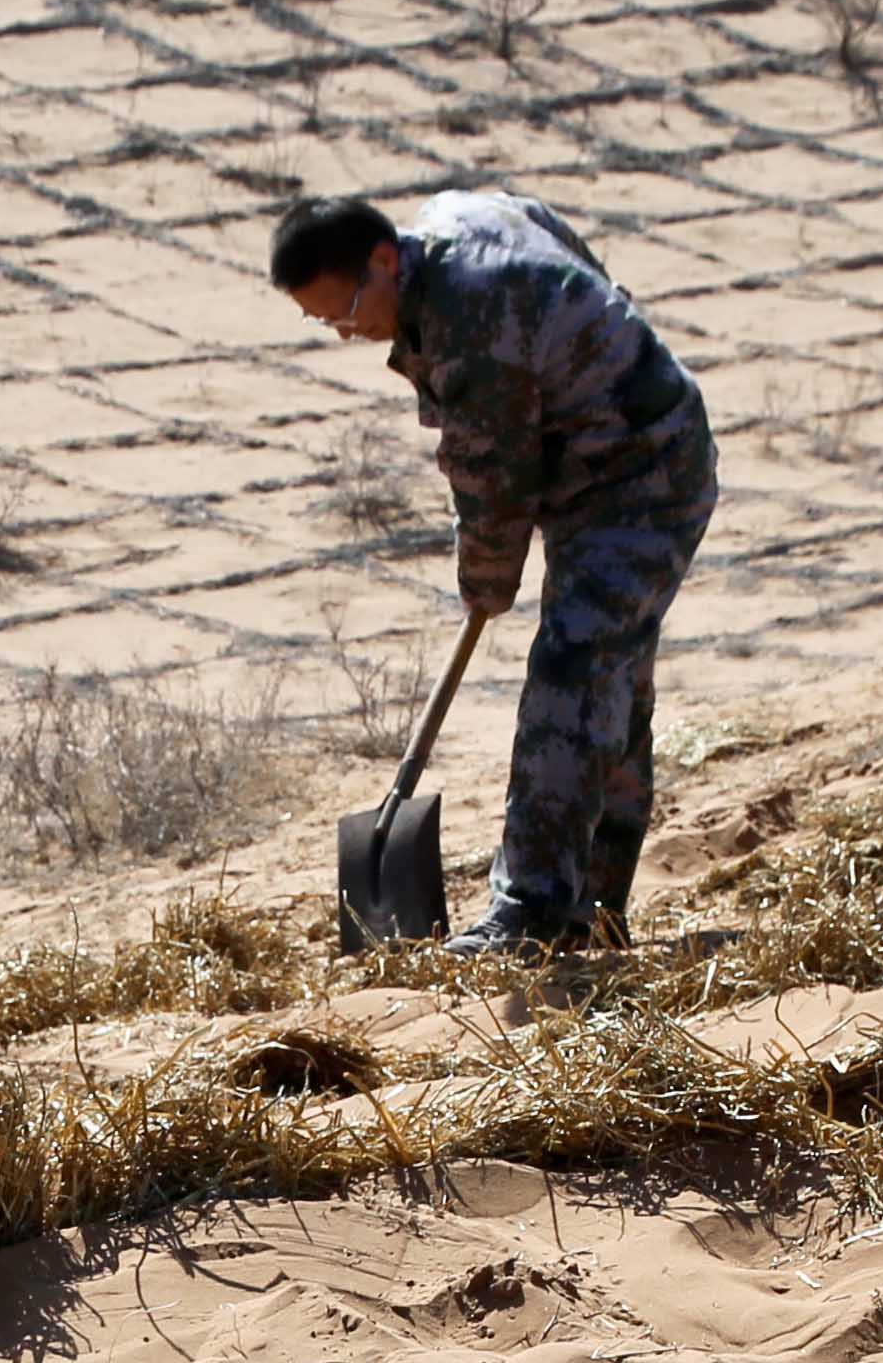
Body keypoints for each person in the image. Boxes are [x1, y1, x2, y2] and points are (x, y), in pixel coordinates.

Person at [272, 189, 717, 954]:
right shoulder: (456, 218)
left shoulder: (470, 322)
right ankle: (595, 911)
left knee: (571, 677)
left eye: (345, 308)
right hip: (605, 456)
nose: (346, 332)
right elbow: (559, 238)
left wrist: (486, 581)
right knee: (613, 685)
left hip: (644, 473)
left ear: (385, 260)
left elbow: (493, 484)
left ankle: (532, 913)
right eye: (324, 323)